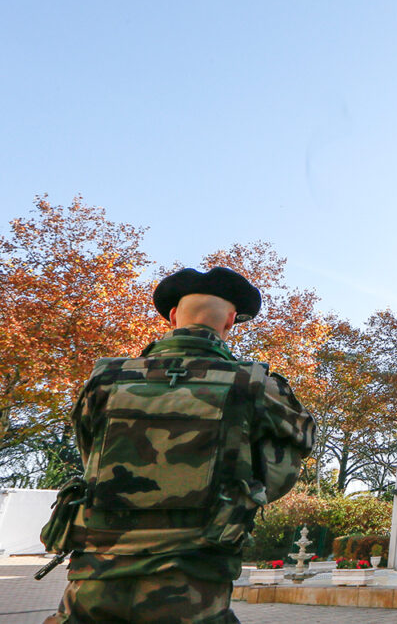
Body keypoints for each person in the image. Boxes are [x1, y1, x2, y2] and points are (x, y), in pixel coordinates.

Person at [41, 266, 315, 623]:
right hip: (196, 570)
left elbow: (88, 446)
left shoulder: (105, 378)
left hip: (97, 569)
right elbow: (301, 440)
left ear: (172, 316)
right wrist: (248, 487)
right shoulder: (253, 383)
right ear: (230, 321)